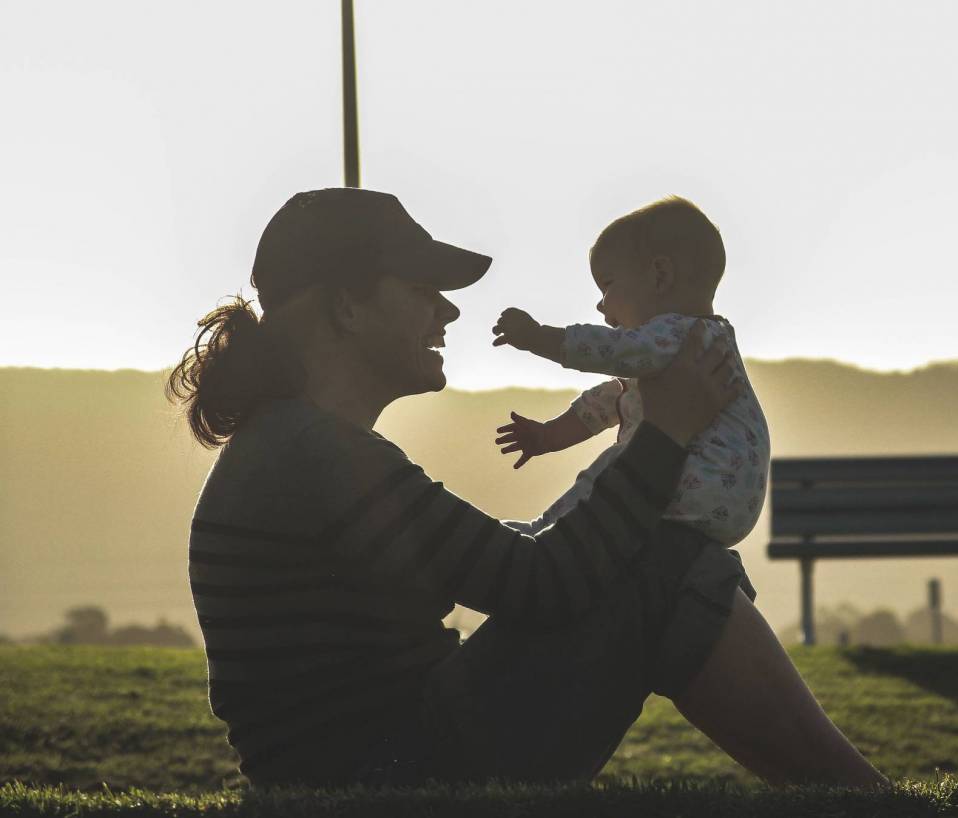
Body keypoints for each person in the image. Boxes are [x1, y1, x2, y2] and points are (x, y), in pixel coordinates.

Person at [169, 187, 886, 789]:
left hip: (379, 763)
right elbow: (543, 584)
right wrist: (666, 433)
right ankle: (866, 800)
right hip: (392, 776)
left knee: (661, 556)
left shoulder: (294, 446)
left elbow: (501, 562)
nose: (447, 313)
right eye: (423, 292)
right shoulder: (310, 453)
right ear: (346, 307)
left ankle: (853, 796)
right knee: (668, 561)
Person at [490, 196, 769, 555]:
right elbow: (611, 401)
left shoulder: (683, 334)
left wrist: (537, 336)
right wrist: (548, 436)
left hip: (701, 484)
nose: (601, 304)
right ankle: (550, 533)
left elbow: (612, 350)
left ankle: (546, 533)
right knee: (624, 469)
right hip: (723, 501)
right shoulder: (695, 346)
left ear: (660, 275)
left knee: (615, 469)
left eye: (606, 285)